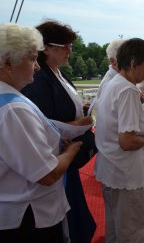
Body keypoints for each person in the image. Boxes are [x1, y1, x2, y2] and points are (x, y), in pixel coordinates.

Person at [0, 23, 82, 242]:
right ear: (8, 62)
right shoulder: (14, 109)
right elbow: (47, 174)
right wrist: (71, 150)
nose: (37, 67)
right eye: (32, 59)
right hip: (28, 217)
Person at [21, 20, 96, 243]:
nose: (69, 51)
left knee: (74, 218)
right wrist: (76, 126)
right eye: (65, 46)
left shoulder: (58, 73)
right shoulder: (39, 79)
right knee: (67, 223)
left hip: (66, 157)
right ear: (47, 48)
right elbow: (40, 122)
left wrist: (79, 111)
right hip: (57, 156)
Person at [95, 38, 144, 243]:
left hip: (112, 169)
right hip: (126, 174)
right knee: (131, 232)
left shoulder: (113, 83)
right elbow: (127, 141)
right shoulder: (128, 90)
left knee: (115, 229)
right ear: (132, 63)